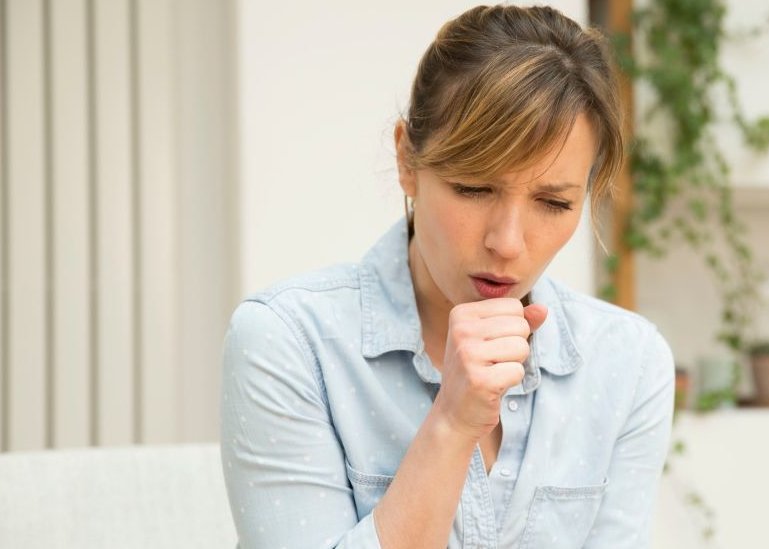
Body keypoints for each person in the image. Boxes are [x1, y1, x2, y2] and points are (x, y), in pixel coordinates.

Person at [220, 5, 675, 548]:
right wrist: (452, 424)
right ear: (407, 160)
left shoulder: (626, 360)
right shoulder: (291, 343)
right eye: (474, 189)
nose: (508, 242)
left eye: (552, 203)